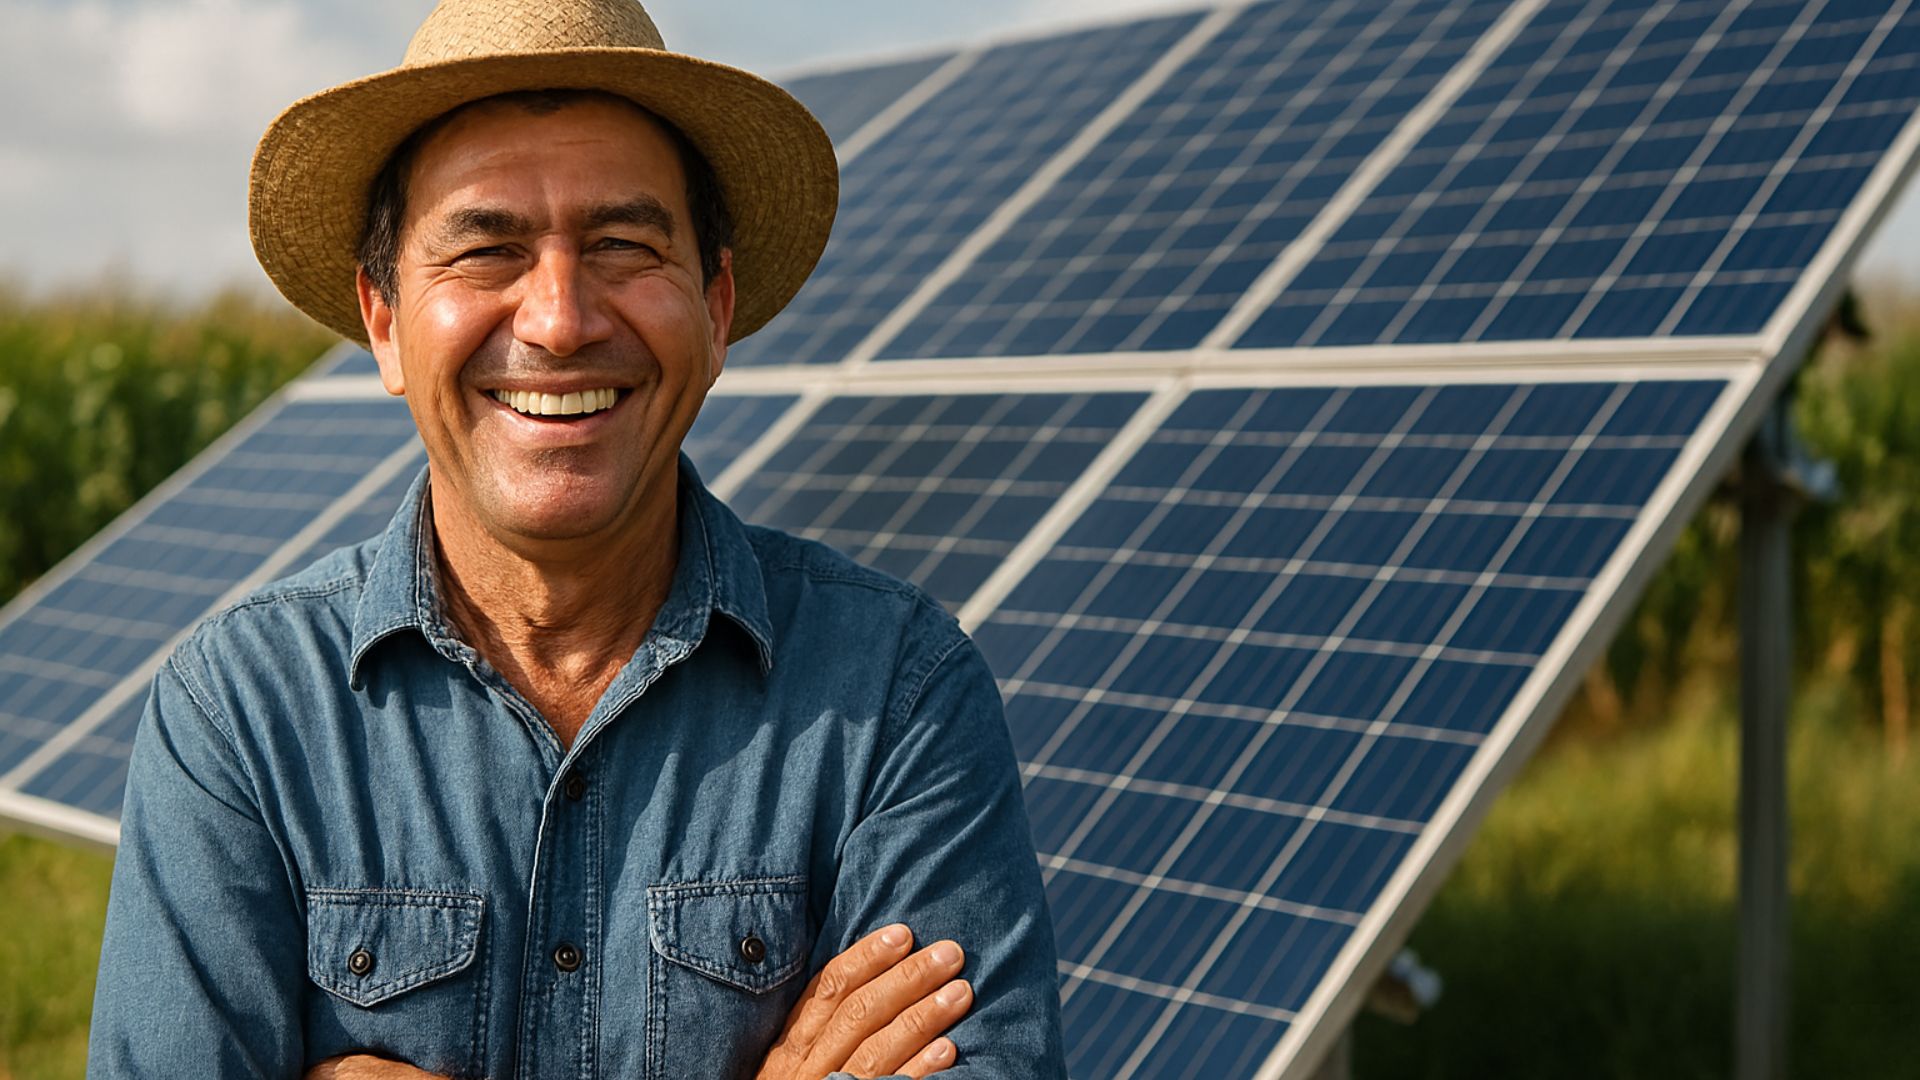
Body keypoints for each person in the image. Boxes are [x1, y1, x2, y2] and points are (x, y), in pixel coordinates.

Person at [85, 0, 1065, 1076]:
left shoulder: (899, 696)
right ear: (382, 320)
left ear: (716, 303)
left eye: (622, 244)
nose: (559, 320)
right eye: (485, 249)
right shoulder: (241, 715)